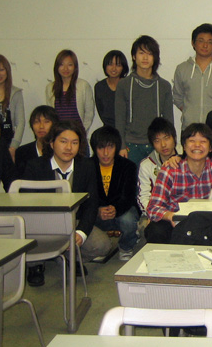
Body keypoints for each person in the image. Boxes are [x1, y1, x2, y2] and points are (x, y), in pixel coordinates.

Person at [21, 120, 103, 286]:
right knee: (27, 235)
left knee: (102, 244)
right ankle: (35, 265)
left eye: (74, 143)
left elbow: (91, 204)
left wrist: (81, 233)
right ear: (52, 143)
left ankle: (71, 258)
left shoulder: (87, 166)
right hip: (43, 226)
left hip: (73, 222)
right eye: (63, 141)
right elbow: (27, 207)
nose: (69, 148)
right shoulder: (35, 166)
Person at [115, 35, 174, 165]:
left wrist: (171, 148)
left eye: (150, 54)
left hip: (157, 145)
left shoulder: (164, 86)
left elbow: (169, 120)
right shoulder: (124, 84)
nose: (145, 58)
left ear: (155, 58)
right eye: (141, 53)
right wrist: (121, 146)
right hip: (131, 145)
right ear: (134, 56)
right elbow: (119, 119)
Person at [89, 126, 139, 261]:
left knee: (128, 220)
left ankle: (126, 247)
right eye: (101, 148)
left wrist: (115, 209)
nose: (106, 153)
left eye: (110, 147)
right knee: (85, 217)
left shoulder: (128, 166)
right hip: (97, 211)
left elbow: (129, 197)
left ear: (116, 147)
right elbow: (86, 197)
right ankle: (96, 246)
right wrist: (98, 210)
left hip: (121, 208)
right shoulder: (87, 166)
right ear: (95, 148)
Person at [173, 23, 212, 131]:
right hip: (189, 129)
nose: (205, 45)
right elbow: (177, 97)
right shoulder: (182, 69)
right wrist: (189, 113)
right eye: (201, 41)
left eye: (210, 42)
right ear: (193, 43)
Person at [45, 49, 95, 133]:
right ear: (56, 67)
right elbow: (51, 115)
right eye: (61, 64)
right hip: (58, 134)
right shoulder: (50, 88)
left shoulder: (83, 85)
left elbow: (89, 113)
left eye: (70, 65)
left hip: (78, 133)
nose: (65, 68)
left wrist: (82, 131)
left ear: (75, 67)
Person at [138, 117, 178, 217]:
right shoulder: (146, 165)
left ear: (174, 138)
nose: (163, 145)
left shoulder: (186, 157)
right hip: (157, 213)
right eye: (157, 141)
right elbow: (143, 197)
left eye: (166, 138)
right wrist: (155, 213)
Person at [15, 105, 59, 177]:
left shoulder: (59, 151)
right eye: (36, 122)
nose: (41, 126)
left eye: (46, 122)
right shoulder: (22, 152)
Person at [94, 50, 129, 128]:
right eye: (110, 64)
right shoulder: (100, 87)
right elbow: (101, 111)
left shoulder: (129, 85)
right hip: (108, 130)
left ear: (123, 67)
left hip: (128, 130)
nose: (114, 68)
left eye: (118, 65)